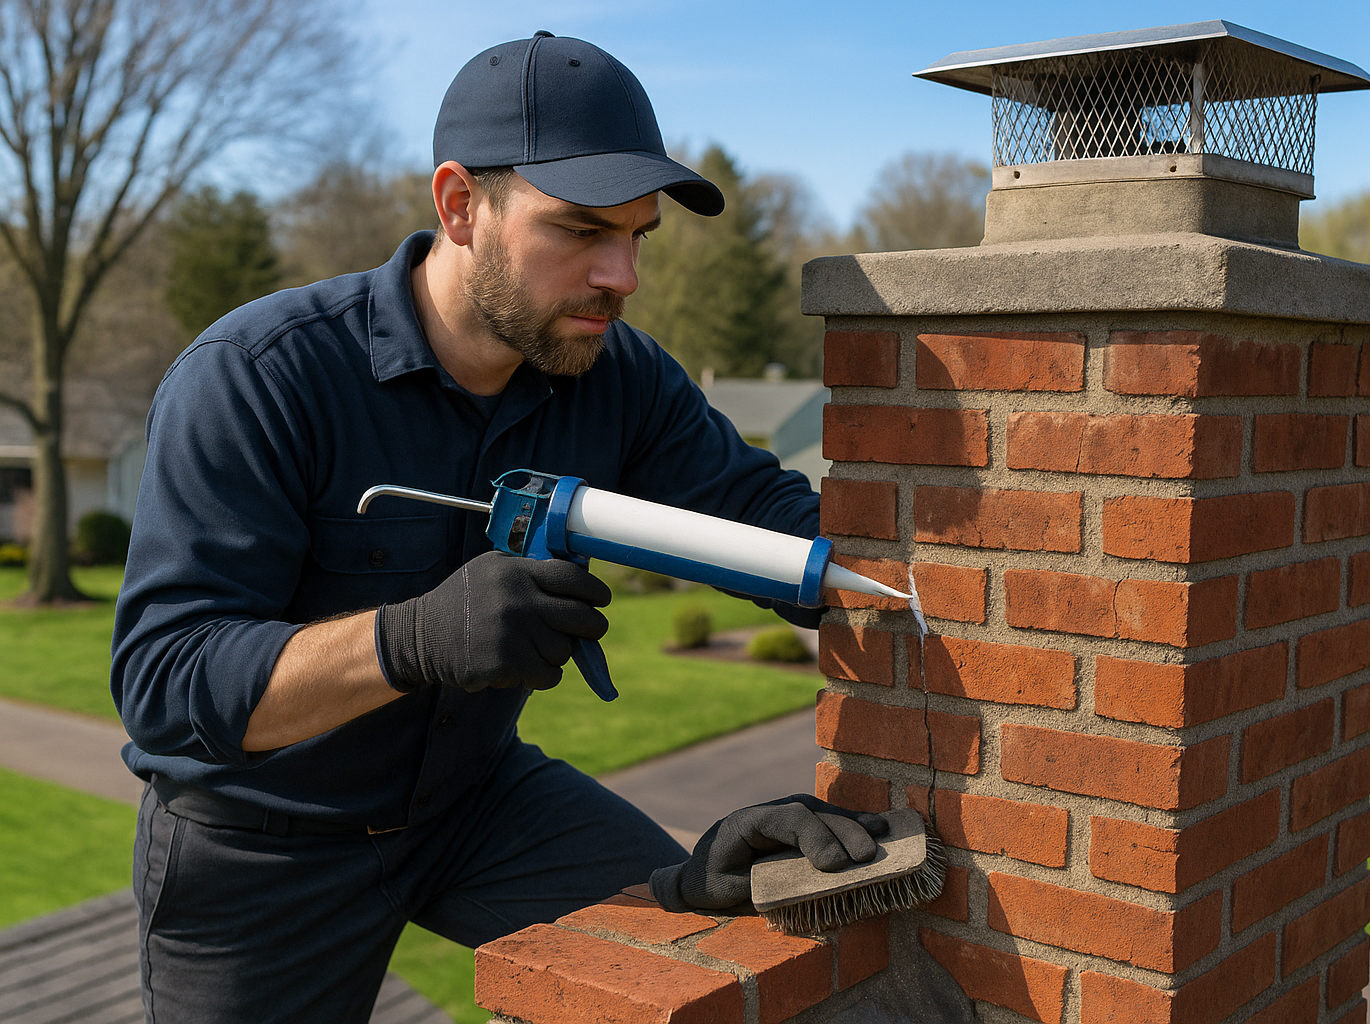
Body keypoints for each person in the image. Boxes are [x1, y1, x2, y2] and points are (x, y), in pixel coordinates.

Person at [111, 32, 877, 1023]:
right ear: (459, 204)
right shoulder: (260, 378)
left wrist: (923, 588)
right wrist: (410, 640)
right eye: (581, 231)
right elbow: (167, 686)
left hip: (479, 804)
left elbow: (768, 522)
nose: (623, 275)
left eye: (639, 235)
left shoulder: (618, 376)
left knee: (714, 944)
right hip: (261, 839)